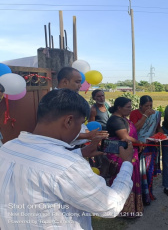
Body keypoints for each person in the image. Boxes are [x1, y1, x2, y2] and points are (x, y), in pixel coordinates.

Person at [0, 89, 134, 229]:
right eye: (81, 124)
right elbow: (110, 206)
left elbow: (43, 167)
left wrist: (81, 152)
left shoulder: (9, 147)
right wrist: (126, 164)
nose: (81, 131)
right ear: (69, 121)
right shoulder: (68, 165)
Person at [106, 97, 144, 217]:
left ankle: (133, 208)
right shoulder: (115, 120)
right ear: (119, 107)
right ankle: (122, 209)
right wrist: (139, 142)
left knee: (130, 178)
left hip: (128, 152)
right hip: (119, 154)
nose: (130, 109)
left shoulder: (122, 118)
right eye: (128, 107)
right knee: (123, 178)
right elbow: (125, 138)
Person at [56, 67, 108, 146]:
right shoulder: (56, 100)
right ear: (65, 82)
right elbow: (60, 131)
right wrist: (88, 135)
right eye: (77, 82)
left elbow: (78, 125)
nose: (80, 86)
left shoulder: (69, 98)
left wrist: (91, 135)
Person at [130, 95, 163, 205]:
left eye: (150, 105)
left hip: (151, 145)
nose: (149, 108)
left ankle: (148, 194)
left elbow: (158, 128)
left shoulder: (155, 114)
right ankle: (139, 197)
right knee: (139, 172)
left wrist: (160, 135)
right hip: (138, 146)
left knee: (149, 171)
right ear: (140, 105)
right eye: (146, 106)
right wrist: (144, 116)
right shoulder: (135, 113)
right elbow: (134, 129)